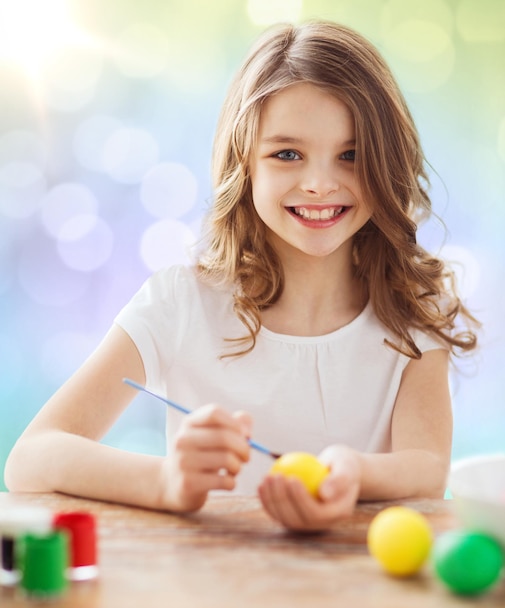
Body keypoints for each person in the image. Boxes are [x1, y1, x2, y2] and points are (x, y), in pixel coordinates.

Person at [5, 21, 479, 531]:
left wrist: (353, 474)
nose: (319, 183)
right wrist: (167, 482)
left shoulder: (411, 313)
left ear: (389, 163)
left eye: (352, 155)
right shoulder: (179, 303)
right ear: (244, 164)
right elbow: (31, 458)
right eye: (287, 154)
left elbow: (428, 470)